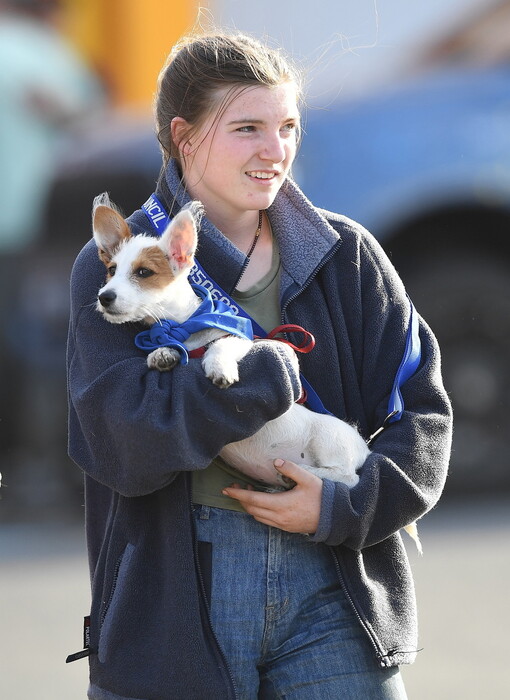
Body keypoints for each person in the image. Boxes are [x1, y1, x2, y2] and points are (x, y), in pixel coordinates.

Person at [67, 31, 452, 700]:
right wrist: (258, 386)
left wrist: (343, 505)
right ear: (183, 137)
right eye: (248, 128)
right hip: (175, 604)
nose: (276, 152)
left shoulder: (349, 255)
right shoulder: (115, 268)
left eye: (288, 127)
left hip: (337, 586)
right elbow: (118, 443)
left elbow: (423, 416)